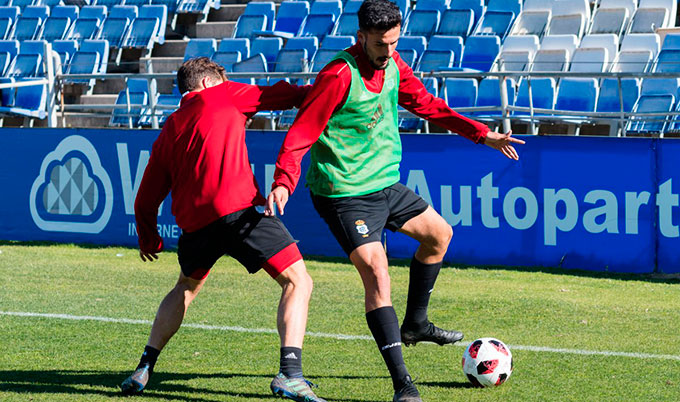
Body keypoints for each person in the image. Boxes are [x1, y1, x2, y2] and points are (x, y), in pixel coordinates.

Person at [265, 1, 525, 400]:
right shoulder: (337, 75)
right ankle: (403, 383)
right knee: (378, 275)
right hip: (344, 192)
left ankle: (416, 324)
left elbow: (428, 105)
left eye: (394, 43)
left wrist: (481, 134)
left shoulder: (395, 65)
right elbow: (302, 131)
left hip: (385, 183)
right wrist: (284, 180)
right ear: (361, 37)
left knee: (439, 236)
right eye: (381, 44)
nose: (388, 52)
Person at [120, 57, 326, 402]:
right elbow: (280, 96)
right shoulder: (224, 94)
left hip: (195, 225)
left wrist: (149, 238)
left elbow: (144, 199)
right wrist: (323, 92)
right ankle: (291, 373)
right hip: (238, 212)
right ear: (205, 83)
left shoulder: (170, 128)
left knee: (185, 286)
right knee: (298, 280)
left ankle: (145, 364)